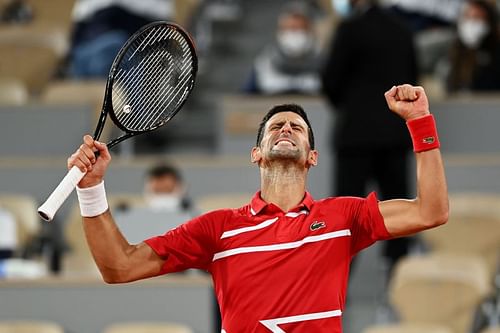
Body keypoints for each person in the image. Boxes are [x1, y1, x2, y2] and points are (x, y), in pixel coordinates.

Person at [68, 84, 448, 332]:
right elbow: (119, 266)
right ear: (256, 154)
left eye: (296, 128)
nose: (285, 129)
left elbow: (431, 211)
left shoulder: (343, 217)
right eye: (276, 126)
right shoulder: (216, 229)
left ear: (312, 157)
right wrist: (91, 189)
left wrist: (419, 122)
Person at [322, 0, 419, 276]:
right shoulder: (402, 30)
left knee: (345, 222)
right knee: (400, 218)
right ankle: (399, 291)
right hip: (394, 136)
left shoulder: (349, 29)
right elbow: (413, 78)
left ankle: (336, 296)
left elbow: (331, 81)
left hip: (355, 138)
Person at [244, 1, 322, 95]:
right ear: (280, 31)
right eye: (291, 28)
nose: (295, 34)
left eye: (301, 28)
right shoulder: (264, 62)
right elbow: (245, 97)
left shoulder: (323, 63)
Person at [445, 0, 500, 92]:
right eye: (468, 17)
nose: (472, 23)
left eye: (477, 18)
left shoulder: (496, 51)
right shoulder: (455, 50)